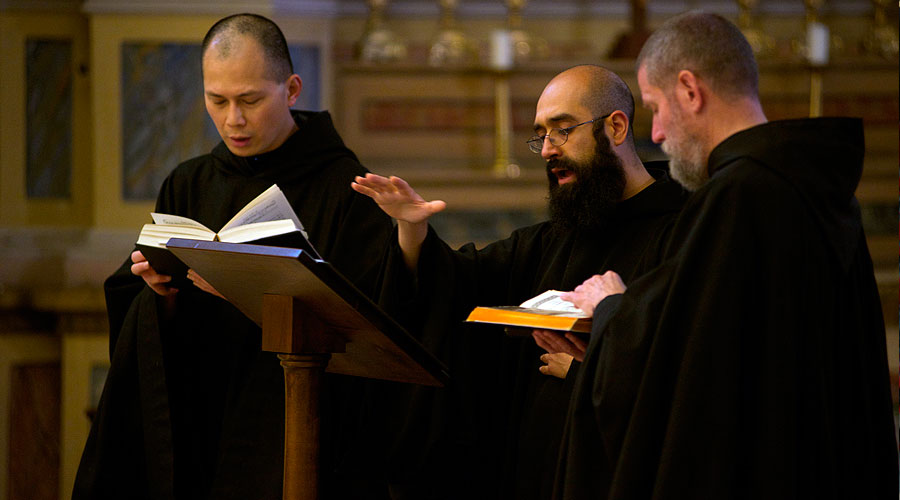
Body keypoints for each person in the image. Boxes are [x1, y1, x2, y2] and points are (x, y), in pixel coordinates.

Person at [553, 11, 899, 499]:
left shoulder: (736, 197)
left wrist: (612, 307)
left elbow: (691, 378)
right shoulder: (814, 183)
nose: (656, 134)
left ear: (690, 90)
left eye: (656, 106)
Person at [73, 13, 394, 500]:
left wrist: (252, 293)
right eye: (216, 100)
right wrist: (159, 294)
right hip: (202, 413)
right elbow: (138, 304)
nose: (233, 120)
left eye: (250, 100)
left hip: (292, 422)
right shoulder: (189, 181)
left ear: (291, 89)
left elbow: (370, 320)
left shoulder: (345, 190)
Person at [351, 64, 687, 500]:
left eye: (562, 130)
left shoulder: (684, 232)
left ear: (616, 127)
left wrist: (592, 374)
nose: (547, 149)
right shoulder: (553, 239)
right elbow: (458, 286)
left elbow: (687, 367)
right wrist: (412, 231)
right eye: (540, 135)